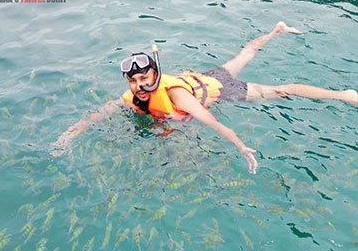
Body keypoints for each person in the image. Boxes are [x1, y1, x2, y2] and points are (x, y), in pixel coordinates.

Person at [50, 21, 357, 173]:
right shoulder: (132, 97)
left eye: (145, 78)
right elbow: (95, 117)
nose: (140, 85)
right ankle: (277, 30)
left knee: (279, 91)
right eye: (134, 80)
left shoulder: (176, 95)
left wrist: (240, 146)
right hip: (206, 77)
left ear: (156, 74)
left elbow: (209, 120)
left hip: (219, 90)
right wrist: (68, 136)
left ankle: (344, 95)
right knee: (245, 53)